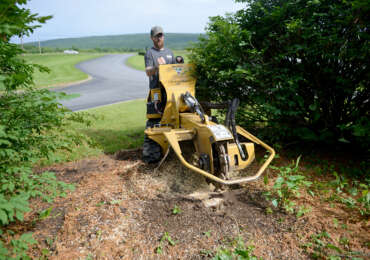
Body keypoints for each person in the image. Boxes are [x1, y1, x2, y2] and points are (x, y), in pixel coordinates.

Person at [142, 26, 175, 163]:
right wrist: (157, 67)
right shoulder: (150, 53)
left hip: (171, 91)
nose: (159, 38)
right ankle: (151, 152)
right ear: (152, 38)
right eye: (157, 36)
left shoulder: (169, 53)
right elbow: (148, 71)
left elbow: (175, 70)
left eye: (161, 35)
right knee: (155, 120)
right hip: (157, 91)